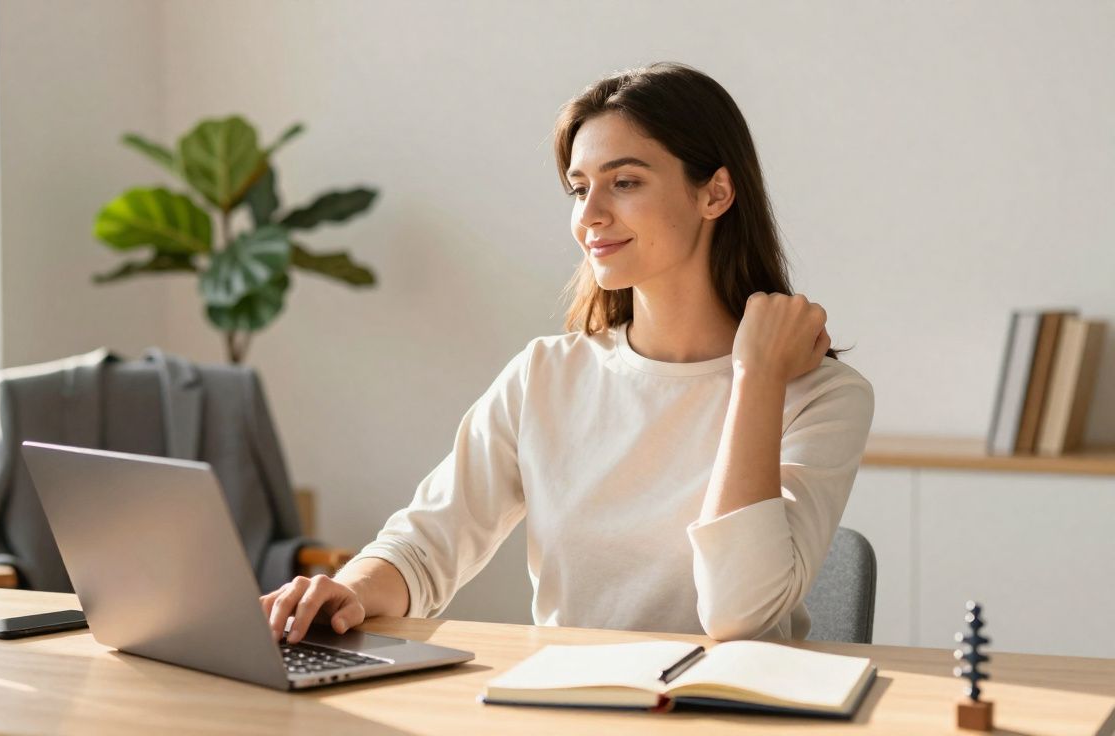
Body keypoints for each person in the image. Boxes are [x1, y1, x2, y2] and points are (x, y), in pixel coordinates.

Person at [262, 62, 875, 645]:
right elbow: (425, 548)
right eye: (579, 188)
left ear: (714, 194)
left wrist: (756, 379)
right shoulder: (543, 376)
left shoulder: (821, 396)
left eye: (625, 182)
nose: (590, 215)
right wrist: (345, 591)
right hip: (563, 708)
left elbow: (740, 615)